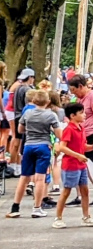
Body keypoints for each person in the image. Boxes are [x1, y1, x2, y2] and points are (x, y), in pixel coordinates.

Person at [6, 90, 60, 218]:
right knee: (40, 178)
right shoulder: (51, 115)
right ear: (47, 102)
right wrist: (50, 130)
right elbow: (59, 134)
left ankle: (15, 207)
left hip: (29, 146)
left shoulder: (27, 113)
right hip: (43, 146)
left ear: (34, 101)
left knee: (24, 177)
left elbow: (20, 130)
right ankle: (37, 208)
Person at [52, 103, 93, 229]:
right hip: (70, 165)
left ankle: (86, 216)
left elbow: (82, 146)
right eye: (81, 113)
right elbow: (62, 147)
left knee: (85, 190)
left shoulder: (81, 128)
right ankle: (58, 217)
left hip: (81, 165)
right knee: (66, 191)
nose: (84, 115)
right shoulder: (69, 129)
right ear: (72, 116)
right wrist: (77, 155)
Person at [68, 75, 93, 206]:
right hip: (83, 134)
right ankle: (80, 195)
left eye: (74, 90)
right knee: (81, 165)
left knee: (92, 166)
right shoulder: (81, 99)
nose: (73, 93)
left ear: (81, 86)